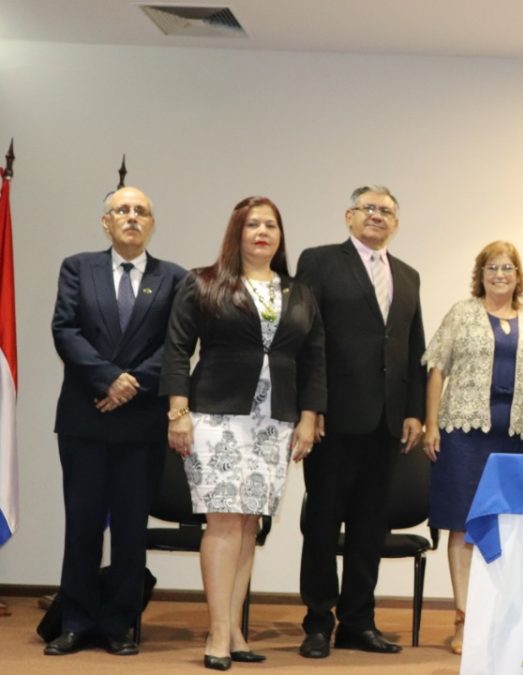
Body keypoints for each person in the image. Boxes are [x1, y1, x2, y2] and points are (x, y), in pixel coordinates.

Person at [160, 196, 324, 669]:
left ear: (280, 235)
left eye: (271, 224)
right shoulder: (204, 283)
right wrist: (178, 411)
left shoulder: (298, 292)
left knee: (250, 525)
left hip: (275, 422)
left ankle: (233, 629)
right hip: (216, 417)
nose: (262, 232)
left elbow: (315, 359)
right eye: (252, 224)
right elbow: (176, 350)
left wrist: (310, 418)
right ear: (237, 232)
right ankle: (215, 633)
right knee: (225, 521)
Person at [47, 187, 187, 657]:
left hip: (141, 424)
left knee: (130, 529)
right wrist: (108, 380)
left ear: (152, 223)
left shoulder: (174, 279)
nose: (132, 217)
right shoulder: (77, 267)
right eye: (122, 210)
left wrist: (130, 385)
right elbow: (65, 329)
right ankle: (76, 620)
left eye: (141, 211)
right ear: (106, 222)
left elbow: (176, 345)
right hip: (84, 419)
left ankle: (119, 624)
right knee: (82, 524)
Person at [294, 185, 427, 658]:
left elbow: (415, 349)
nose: (378, 216)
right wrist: (312, 407)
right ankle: (316, 622)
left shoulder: (408, 275)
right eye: (369, 209)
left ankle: (357, 622)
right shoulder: (320, 261)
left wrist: (414, 411)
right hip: (334, 420)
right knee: (324, 524)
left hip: (387, 424)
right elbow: (307, 338)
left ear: (397, 222)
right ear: (349, 216)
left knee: (371, 528)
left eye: (387, 211)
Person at [423, 240, 523, 653]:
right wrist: (431, 424)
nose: (499, 275)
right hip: (462, 436)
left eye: (508, 268)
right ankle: (464, 618)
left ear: (518, 276)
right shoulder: (462, 313)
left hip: (514, 440)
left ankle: (501, 616)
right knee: (462, 524)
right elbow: (437, 367)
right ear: (481, 274)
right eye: (492, 267)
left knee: (506, 526)